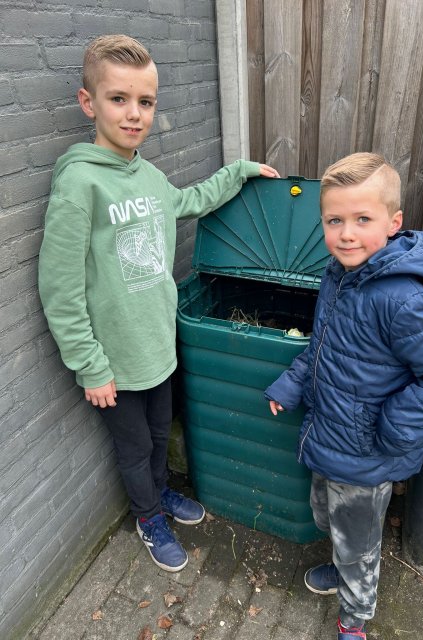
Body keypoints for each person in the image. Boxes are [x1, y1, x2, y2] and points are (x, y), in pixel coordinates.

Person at [38, 34, 279, 573]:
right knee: (133, 450)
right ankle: (148, 517)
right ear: (88, 103)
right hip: (115, 366)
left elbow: (189, 202)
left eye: (145, 102)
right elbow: (59, 288)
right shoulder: (80, 185)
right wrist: (89, 365)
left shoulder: (147, 175)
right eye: (118, 99)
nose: (133, 114)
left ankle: (162, 493)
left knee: (157, 436)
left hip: (158, 347)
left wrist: (238, 172)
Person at [264, 152, 423, 640]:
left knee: (359, 541)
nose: (346, 234)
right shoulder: (339, 276)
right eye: (335, 220)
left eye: (363, 219)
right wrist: (291, 383)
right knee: (328, 517)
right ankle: (343, 570)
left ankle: (354, 619)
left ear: (393, 222)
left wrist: (395, 426)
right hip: (329, 436)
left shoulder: (399, 298)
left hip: (367, 453)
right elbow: (324, 348)